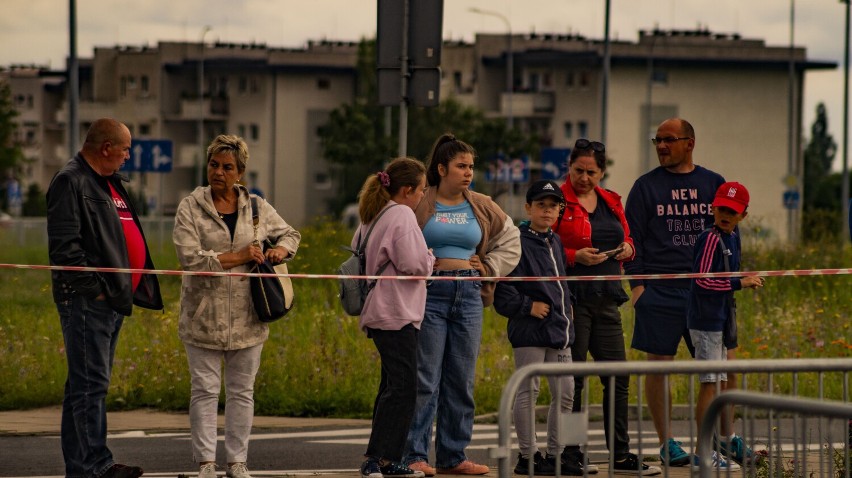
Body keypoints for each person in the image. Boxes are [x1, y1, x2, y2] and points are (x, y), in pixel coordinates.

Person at [173, 134, 301, 478]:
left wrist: (280, 251)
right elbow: (190, 258)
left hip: (249, 314)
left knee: (243, 392)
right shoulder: (190, 206)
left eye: (227, 167)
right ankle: (205, 463)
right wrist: (238, 256)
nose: (219, 172)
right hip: (202, 314)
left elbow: (291, 235)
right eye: (214, 164)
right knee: (204, 390)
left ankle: (237, 461)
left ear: (240, 172)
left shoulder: (257, 207)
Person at [47, 118, 164, 478]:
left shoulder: (108, 181)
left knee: (85, 385)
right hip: (89, 301)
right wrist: (97, 290)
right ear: (106, 148)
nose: (129, 155)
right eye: (125, 148)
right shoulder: (71, 181)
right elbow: (66, 250)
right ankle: (96, 466)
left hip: (111, 299)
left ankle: (83, 467)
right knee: (90, 385)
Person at [405, 133, 521, 476]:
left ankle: (453, 456)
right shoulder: (420, 202)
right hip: (430, 295)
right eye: (461, 166)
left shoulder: (481, 204)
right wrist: (421, 265)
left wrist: (490, 268)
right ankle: (415, 454)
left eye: (471, 166)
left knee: (461, 378)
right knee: (426, 378)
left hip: (469, 295)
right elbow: (392, 235)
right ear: (442, 169)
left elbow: (511, 239)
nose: (468, 172)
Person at [624, 118, 733, 467]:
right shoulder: (645, 187)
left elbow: (728, 235)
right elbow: (633, 240)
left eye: (668, 140)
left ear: (690, 143)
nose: (661, 146)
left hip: (706, 292)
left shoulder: (713, 183)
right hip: (660, 291)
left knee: (722, 368)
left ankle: (722, 440)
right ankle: (666, 441)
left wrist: (727, 283)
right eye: (657, 140)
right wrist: (639, 288)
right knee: (659, 368)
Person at [553, 139, 661, 476]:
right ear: (569, 168)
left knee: (617, 376)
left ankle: (621, 453)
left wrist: (628, 248)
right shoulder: (556, 199)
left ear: (602, 172)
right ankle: (571, 453)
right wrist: (575, 257)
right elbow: (544, 244)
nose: (584, 178)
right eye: (578, 171)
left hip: (608, 296)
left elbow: (628, 237)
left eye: (592, 172)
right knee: (575, 381)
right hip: (573, 301)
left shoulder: (612, 200)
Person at [354, 158, 436, 478]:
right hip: (397, 311)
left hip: (380, 310)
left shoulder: (372, 215)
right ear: (407, 190)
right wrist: (430, 257)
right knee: (404, 387)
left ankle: (382, 457)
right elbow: (415, 264)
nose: (423, 197)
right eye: (422, 190)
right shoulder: (401, 213)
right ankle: (381, 459)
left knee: (392, 385)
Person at [493, 180, 579, 476]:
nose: (547, 210)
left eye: (553, 205)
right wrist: (528, 307)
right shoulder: (516, 240)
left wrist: (569, 308)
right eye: (541, 205)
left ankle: (556, 455)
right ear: (528, 207)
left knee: (566, 391)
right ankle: (527, 456)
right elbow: (503, 293)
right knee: (528, 391)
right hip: (530, 331)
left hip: (559, 331)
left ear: (560, 210)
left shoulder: (555, 241)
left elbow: (562, 284)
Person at [688, 181, 763, 471]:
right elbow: (701, 280)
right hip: (706, 319)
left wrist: (743, 279)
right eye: (721, 208)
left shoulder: (734, 235)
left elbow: (729, 274)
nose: (725, 214)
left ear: (743, 214)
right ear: (713, 207)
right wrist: (738, 283)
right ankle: (701, 452)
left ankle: (714, 445)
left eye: (732, 211)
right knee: (709, 384)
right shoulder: (710, 238)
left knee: (719, 382)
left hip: (720, 318)